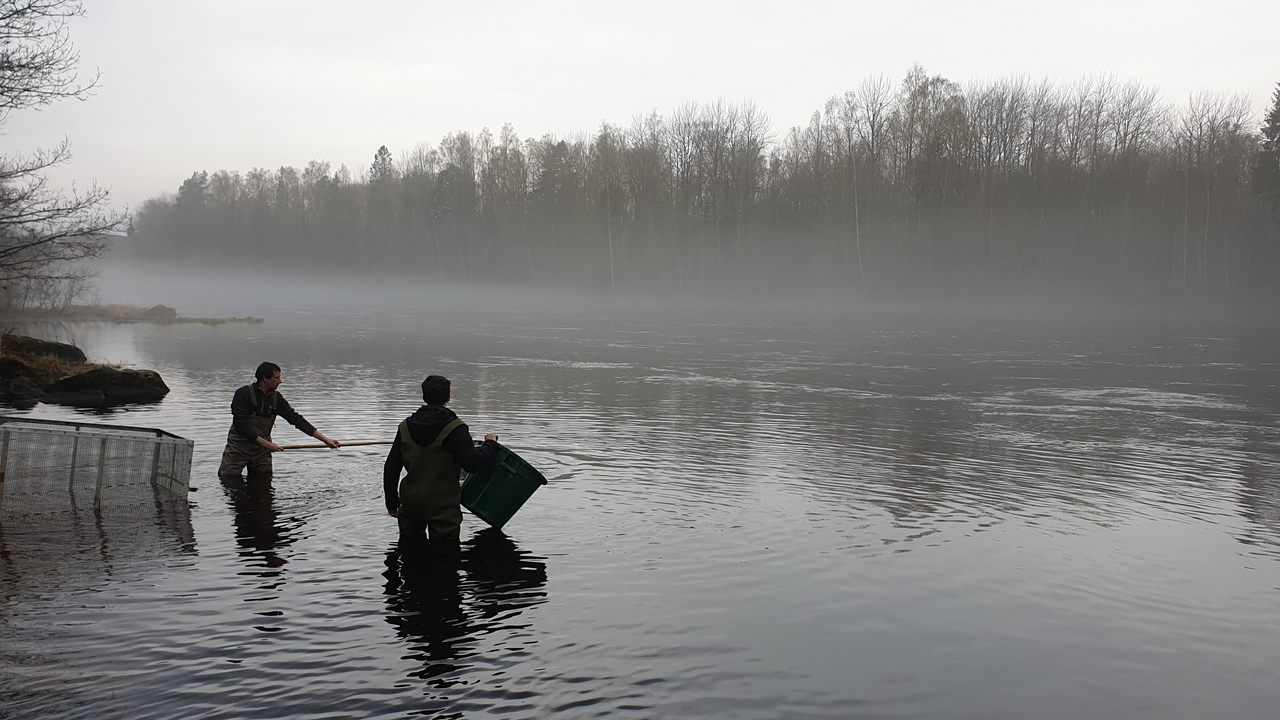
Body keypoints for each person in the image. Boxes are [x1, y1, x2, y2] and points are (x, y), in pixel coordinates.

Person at [384, 375, 499, 542]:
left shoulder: (405, 426)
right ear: (448, 398)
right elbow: (473, 463)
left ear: (424, 396)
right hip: (443, 506)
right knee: (445, 556)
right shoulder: (456, 428)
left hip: (410, 505)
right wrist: (490, 444)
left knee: (410, 552)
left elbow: (391, 468)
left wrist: (392, 502)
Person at [218, 362, 339, 479]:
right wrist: (267, 444)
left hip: (262, 452)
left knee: (263, 482)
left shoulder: (277, 399)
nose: (280, 381)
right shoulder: (243, 394)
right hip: (239, 448)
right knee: (228, 480)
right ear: (265, 378)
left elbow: (296, 419)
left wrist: (325, 440)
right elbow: (241, 427)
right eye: (277, 378)